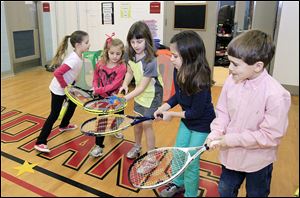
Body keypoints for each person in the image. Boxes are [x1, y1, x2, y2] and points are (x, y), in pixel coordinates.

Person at [206, 30, 291, 197]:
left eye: (235, 64)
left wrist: (230, 139)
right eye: (229, 62)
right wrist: (216, 132)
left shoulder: (277, 95)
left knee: (256, 194)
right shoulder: (231, 81)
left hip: (258, 162)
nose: (229, 69)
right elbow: (222, 112)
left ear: (258, 66)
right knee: (225, 190)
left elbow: (269, 136)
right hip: (231, 158)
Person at [153, 30, 216, 197]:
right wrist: (164, 107)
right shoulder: (177, 69)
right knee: (179, 154)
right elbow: (178, 96)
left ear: (190, 57)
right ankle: (178, 184)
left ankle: (191, 194)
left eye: (175, 56)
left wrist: (171, 115)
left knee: (191, 162)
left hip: (202, 124)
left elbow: (195, 112)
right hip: (187, 122)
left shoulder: (201, 79)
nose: (171, 59)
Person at [34, 30, 90, 153]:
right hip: (58, 89)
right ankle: (40, 142)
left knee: (73, 103)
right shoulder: (73, 59)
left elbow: (72, 73)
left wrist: (73, 86)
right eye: (87, 42)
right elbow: (58, 73)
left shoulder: (79, 56)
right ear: (78, 45)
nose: (89, 44)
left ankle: (64, 125)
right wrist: (65, 86)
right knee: (54, 114)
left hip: (66, 87)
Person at [119, 21, 163, 159]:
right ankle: (137, 146)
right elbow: (130, 71)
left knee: (147, 123)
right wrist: (125, 84)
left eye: (139, 41)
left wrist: (125, 98)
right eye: (132, 42)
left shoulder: (151, 61)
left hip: (152, 95)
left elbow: (142, 87)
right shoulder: (129, 55)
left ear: (147, 40)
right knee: (137, 123)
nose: (135, 45)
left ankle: (151, 156)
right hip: (139, 94)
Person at [90, 34, 127, 157]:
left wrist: (98, 90)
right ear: (107, 52)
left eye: (118, 54)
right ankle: (98, 146)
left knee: (120, 117)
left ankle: (114, 129)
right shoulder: (100, 64)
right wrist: (95, 87)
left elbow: (114, 85)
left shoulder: (122, 67)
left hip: (116, 98)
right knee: (101, 121)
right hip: (102, 98)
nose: (115, 56)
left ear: (122, 53)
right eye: (112, 53)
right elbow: (95, 77)